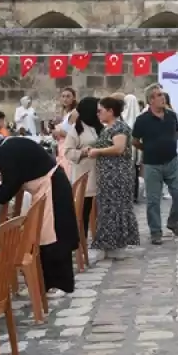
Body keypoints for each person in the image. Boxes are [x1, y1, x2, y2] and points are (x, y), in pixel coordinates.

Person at [0, 133, 79, 293]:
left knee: (53, 238)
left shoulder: (6, 151)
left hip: (52, 188)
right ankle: (46, 283)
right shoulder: (10, 145)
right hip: (50, 186)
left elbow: (10, 186)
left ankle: (58, 285)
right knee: (46, 237)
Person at [132, 83, 178, 245]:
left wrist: (169, 144)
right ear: (151, 100)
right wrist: (147, 148)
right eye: (158, 95)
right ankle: (155, 231)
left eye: (162, 94)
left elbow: (177, 132)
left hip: (172, 161)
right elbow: (134, 140)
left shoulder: (171, 115)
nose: (163, 97)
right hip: (152, 164)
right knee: (153, 200)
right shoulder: (142, 120)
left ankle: (173, 221)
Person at [87, 96, 140, 257]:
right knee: (108, 208)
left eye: (100, 110)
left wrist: (98, 151)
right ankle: (111, 245)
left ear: (110, 111)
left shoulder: (119, 127)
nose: (98, 114)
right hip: (107, 175)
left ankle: (117, 245)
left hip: (117, 175)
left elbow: (118, 148)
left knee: (115, 208)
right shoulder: (107, 128)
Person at [63, 97, 101, 250]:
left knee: (99, 212)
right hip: (84, 175)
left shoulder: (100, 127)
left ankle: (100, 240)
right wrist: (83, 152)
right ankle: (81, 243)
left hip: (100, 175)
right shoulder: (76, 129)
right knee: (83, 211)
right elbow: (68, 152)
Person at [122, 93, 143, 203]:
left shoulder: (122, 118)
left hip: (125, 151)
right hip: (134, 151)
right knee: (134, 172)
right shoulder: (138, 119)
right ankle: (134, 195)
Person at [55, 87, 77, 179]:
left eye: (68, 96)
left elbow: (74, 134)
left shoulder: (74, 113)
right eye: (63, 96)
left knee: (67, 173)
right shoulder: (63, 113)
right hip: (60, 145)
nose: (65, 99)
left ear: (74, 98)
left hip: (67, 146)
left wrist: (59, 132)